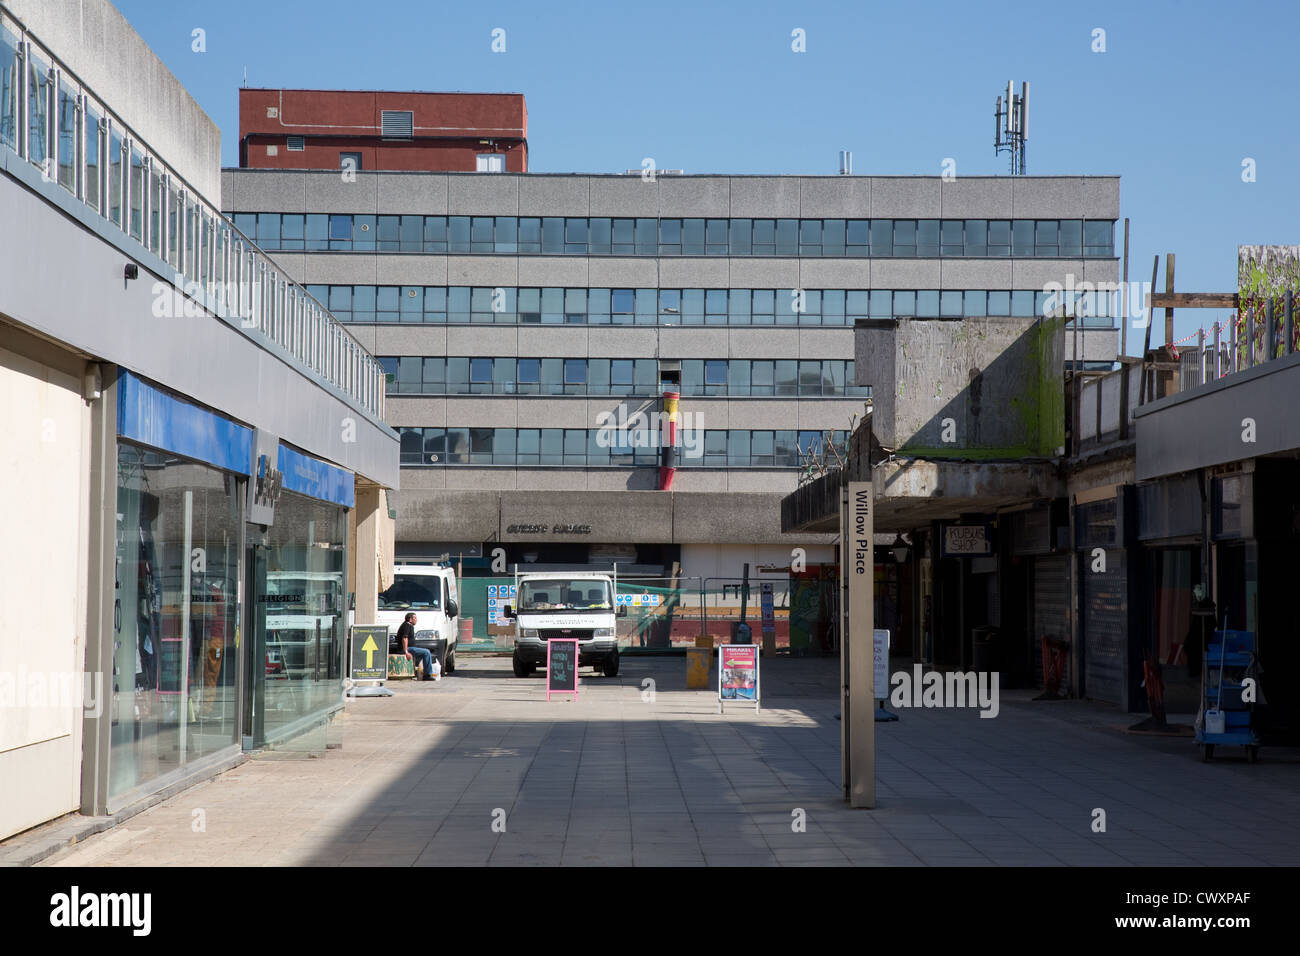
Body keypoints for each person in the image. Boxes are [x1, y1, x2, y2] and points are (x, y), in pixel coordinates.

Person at [394, 612, 435, 681]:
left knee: (424, 652)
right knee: (426, 652)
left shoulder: (409, 625)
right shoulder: (407, 626)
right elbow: (404, 638)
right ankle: (427, 674)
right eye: (415, 618)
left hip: (410, 648)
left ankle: (420, 671)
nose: (416, 620)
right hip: (407, 649)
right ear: (410, 619)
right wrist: (406, 652)